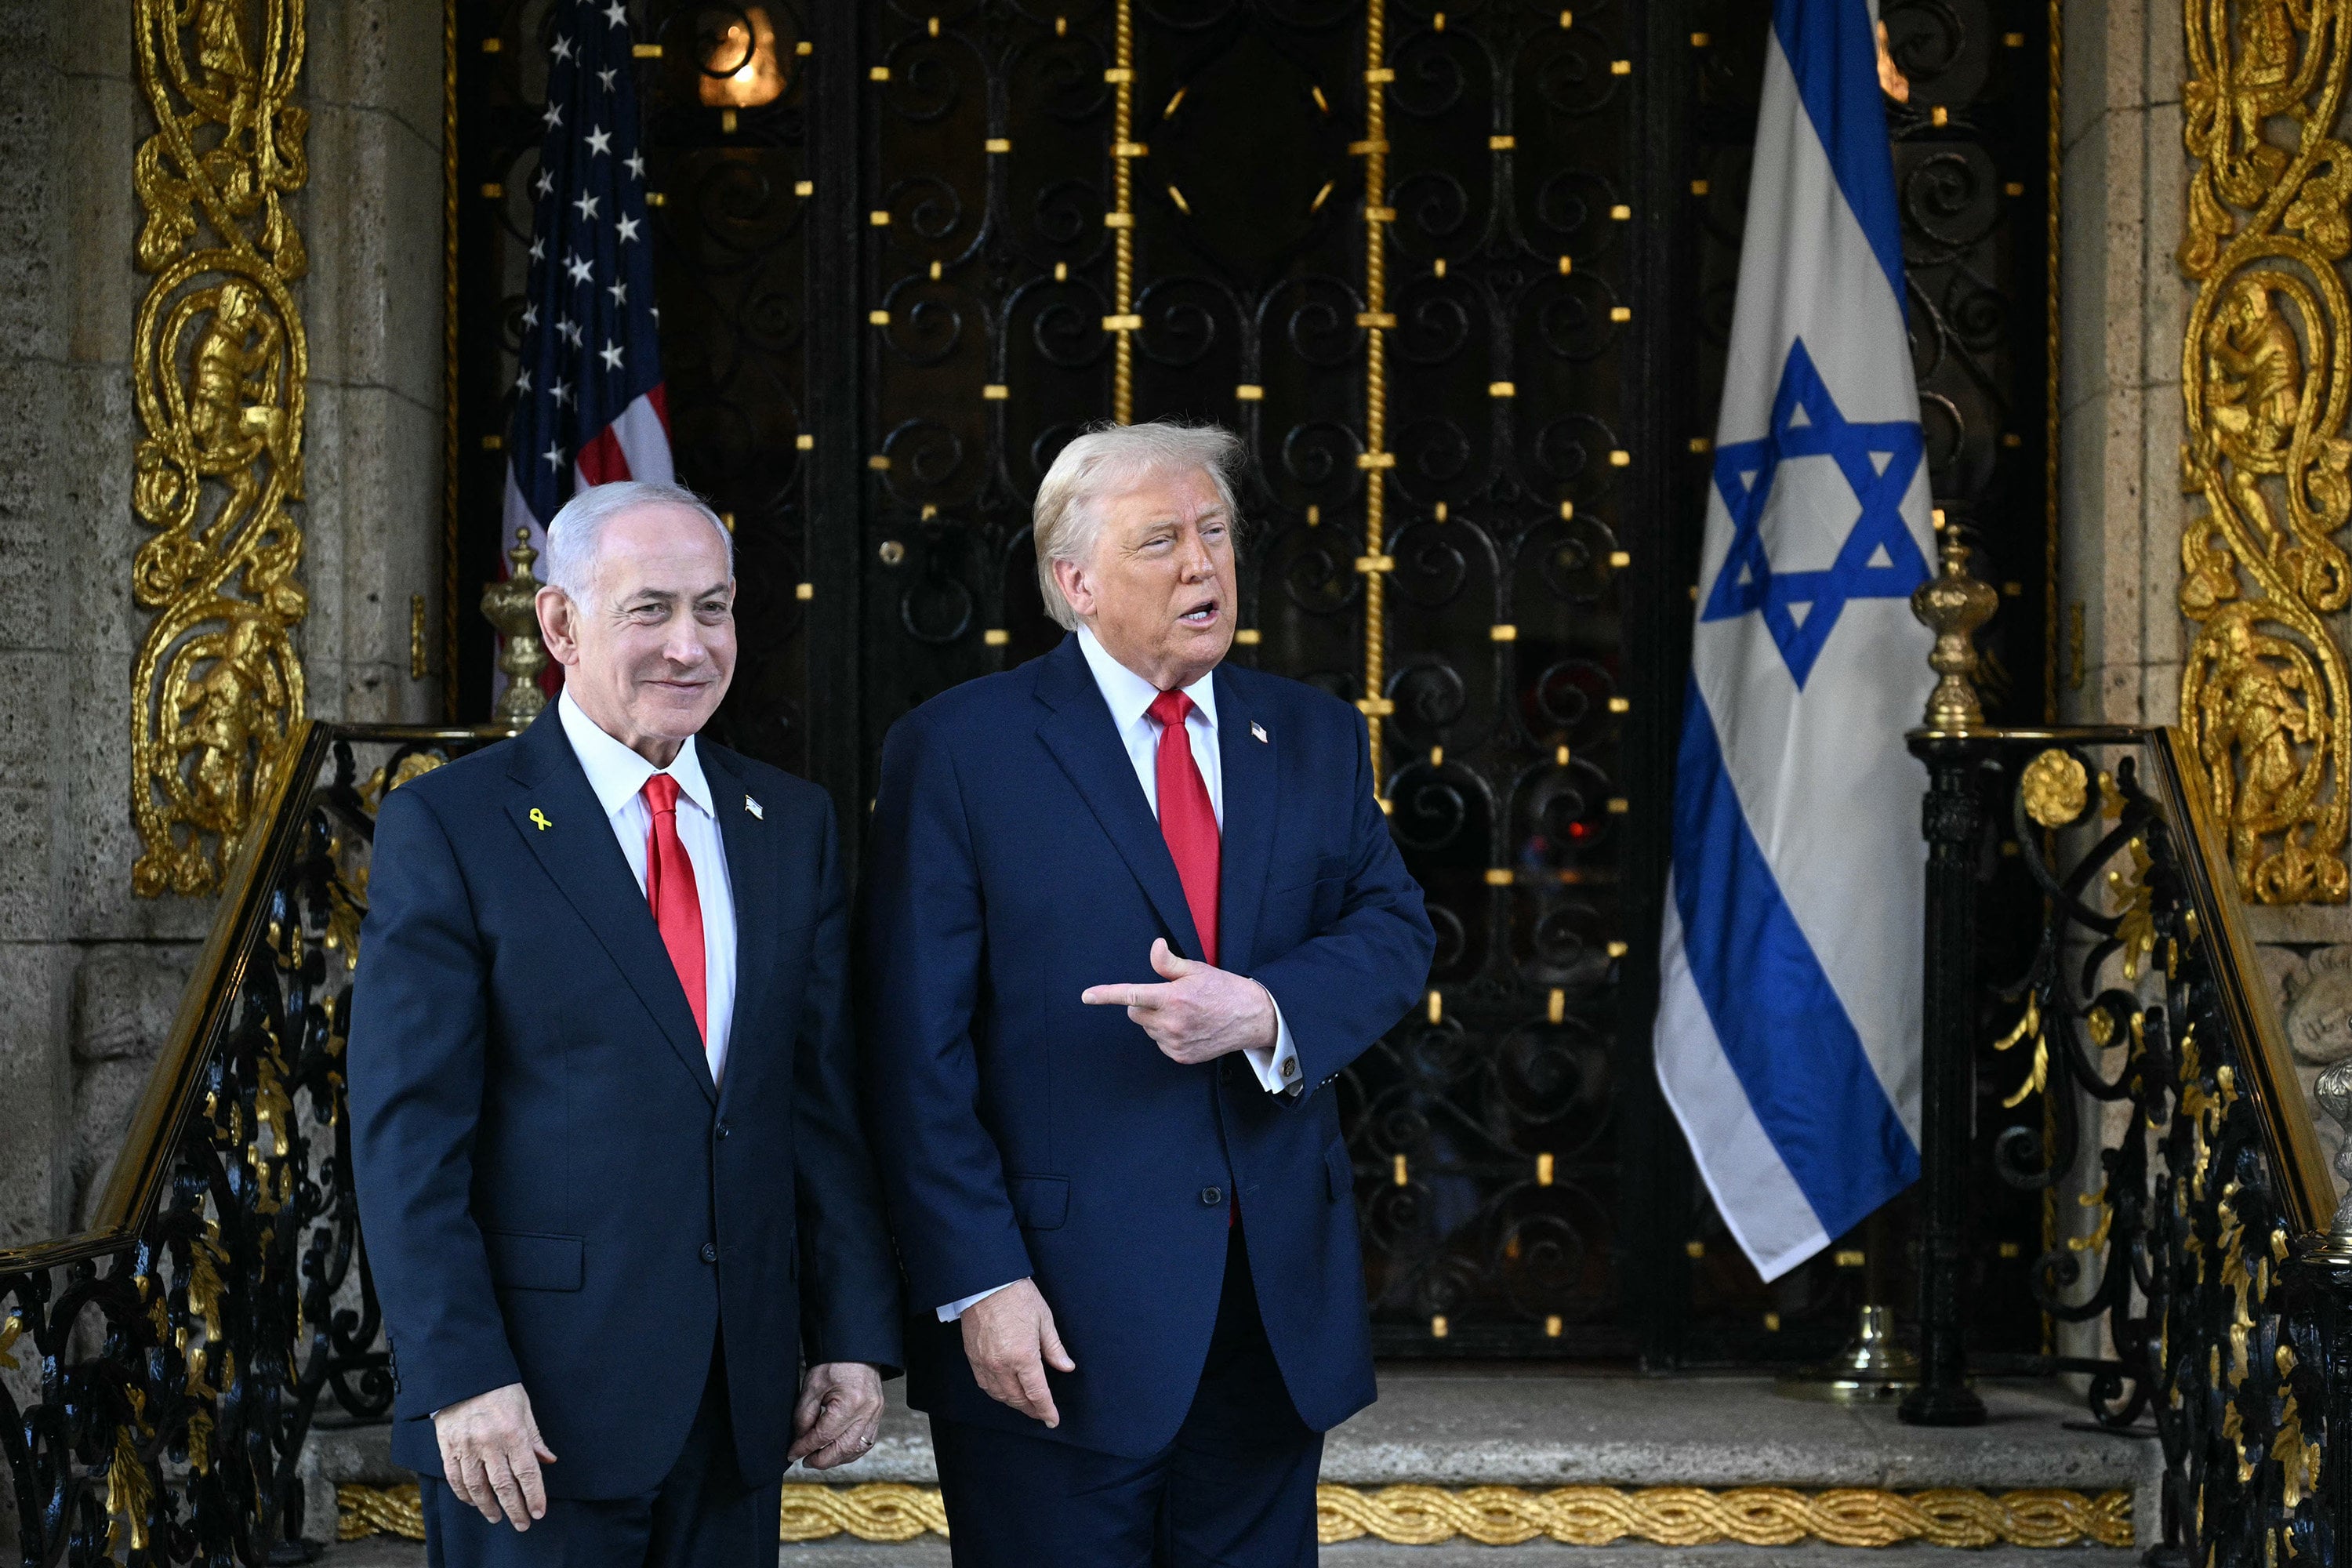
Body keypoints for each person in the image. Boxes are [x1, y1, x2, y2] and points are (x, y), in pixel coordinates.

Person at [861, 420, 1436, 1566]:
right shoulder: (961, 750)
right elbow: (909, 1048)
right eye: (1161, 540)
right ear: (1074, 582)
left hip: (1270, 1326)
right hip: (1055, 1323)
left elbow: (1395, 927)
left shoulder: (1312, 735)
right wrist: (980, 1281)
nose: (1202, 566)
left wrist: (1267, 1010)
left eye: (1216, 533)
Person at [349, 480, 901, 1566]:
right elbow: (409, 1138)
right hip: (530, 1415)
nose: (690, 647)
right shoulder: (450, 826)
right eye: (650, 610)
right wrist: (460, 1375)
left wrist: (850, 1336)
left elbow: (817, 1104)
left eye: (715, 607)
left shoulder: (790, 823)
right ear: (560, 624)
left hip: (740, 1404)